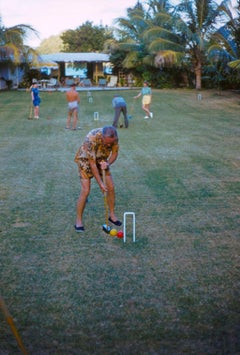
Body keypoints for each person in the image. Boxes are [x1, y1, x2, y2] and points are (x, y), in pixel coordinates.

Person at [74, 126, 122, 232]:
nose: (109, 145)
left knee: (111, 187)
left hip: (101, 159)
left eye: (111, 143)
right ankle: (78, 220)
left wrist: (107, 163)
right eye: (107, 143)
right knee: (86, 190)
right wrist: (100, 183)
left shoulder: (114, 138)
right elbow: (92, 164)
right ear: (102, 137)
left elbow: (114, 153)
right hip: (85, 159)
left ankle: (112, 215)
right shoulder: (90, 139)